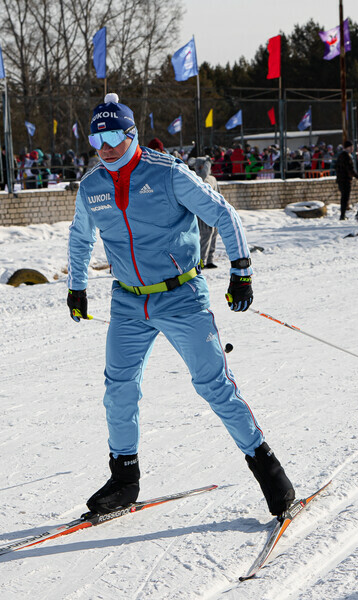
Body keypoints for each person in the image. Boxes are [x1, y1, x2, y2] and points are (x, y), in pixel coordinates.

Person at [67, 93, 295, 519]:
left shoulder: (167, 173)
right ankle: (124, 479)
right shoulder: (92, 186)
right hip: (129, 302)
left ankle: (269, 470)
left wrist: (241, 270)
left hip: (181, 296)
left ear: (131, 134)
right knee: (118, 389)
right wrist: (77, 287)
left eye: (115, 134)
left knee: (213, 385)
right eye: (98, 137)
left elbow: (224, 215)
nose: (107, 146)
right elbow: (81, 238)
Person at [189, 155, 219, 267]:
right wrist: (207, 162)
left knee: (214, 234)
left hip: (214, 211)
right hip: (202, 212)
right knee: (206, 235)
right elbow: (202, 175)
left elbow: (218, 193)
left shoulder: (212, 179)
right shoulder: (196, 177)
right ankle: (202, 261)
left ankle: (210, 259)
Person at [335, 140, 357, 220]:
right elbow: (349, 169)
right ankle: (342, 215)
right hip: (345, 180)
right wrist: (356, 176)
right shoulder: (346, 157)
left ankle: (342, 214)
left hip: (341, 179)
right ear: (347, 147)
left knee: (344, 197)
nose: (352, 149)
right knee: (345, 197)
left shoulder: (340, 155)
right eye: (351, 147)